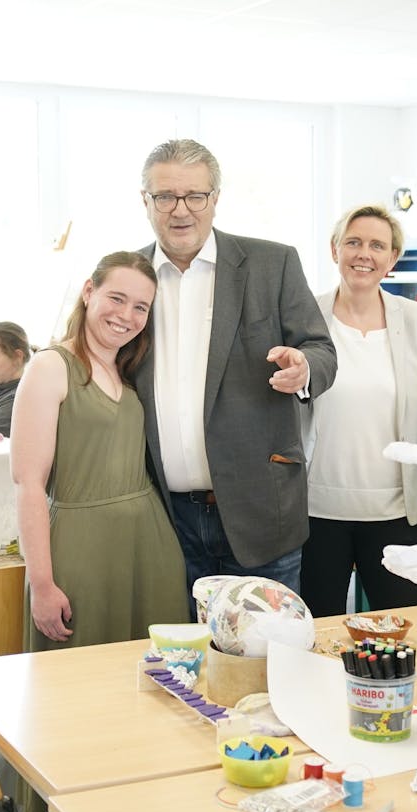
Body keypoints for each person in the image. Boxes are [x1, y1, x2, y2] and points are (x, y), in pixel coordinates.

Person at [133, 139, 336, 611]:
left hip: (261, 513)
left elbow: (321, 349)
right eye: (164, 196)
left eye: (194, 196)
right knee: (179, 665)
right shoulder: (129, 275)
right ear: (145, 201)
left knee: (266, 664)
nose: (180, 210)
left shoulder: (271, 263)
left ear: (215, 199)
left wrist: (304, 369)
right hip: (163, 519)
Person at [11, 251, 186, 650]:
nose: (127, 315)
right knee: (77, 680)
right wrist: (41, 583)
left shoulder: (129, 370)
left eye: (141, 307)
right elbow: (28, 484)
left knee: (157, 680)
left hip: (149, 548)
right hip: (81, 548)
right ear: (89, 291)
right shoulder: (51, 367)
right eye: (117, 298)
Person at [300, 205, 417, 617]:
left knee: (401, 628)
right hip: (318, 511)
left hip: (401, 512)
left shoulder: (416, 320)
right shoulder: (305, 314)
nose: (364, 253)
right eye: (354, 242)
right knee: (319, 630)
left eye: (377, 245)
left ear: (392, 259)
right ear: (335, 250)